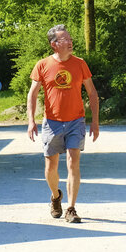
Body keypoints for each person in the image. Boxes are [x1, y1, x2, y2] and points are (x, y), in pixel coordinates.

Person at [27, 24, 100, 223]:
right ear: (54, 45)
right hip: (52, 122)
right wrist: (31, 120)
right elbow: (32, 94)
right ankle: (56, 196)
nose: (70, 42)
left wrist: (95, 121)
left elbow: (92, 93)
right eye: (65, 39)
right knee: (51, 168)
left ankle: (71, 208)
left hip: (76, 120)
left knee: (73, 162)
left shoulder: (80, 64)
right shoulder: (42, 65)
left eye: (70, 38)